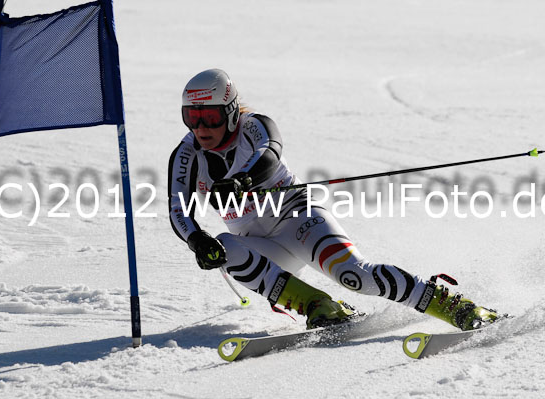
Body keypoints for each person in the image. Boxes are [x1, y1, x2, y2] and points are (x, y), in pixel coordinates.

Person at [168, 68, 499, 330]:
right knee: (225, 246)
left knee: (356, 276)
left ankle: (459, 307)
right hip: (258, 245)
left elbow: (269, 152)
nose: (200, 128)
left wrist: (243, 181)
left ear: (229, 111)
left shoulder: (254, 125)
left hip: (299, 220)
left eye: (209, 117)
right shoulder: (186, 154)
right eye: (192, 118)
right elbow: (178, 209)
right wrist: (197, 240)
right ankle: (320, 306)